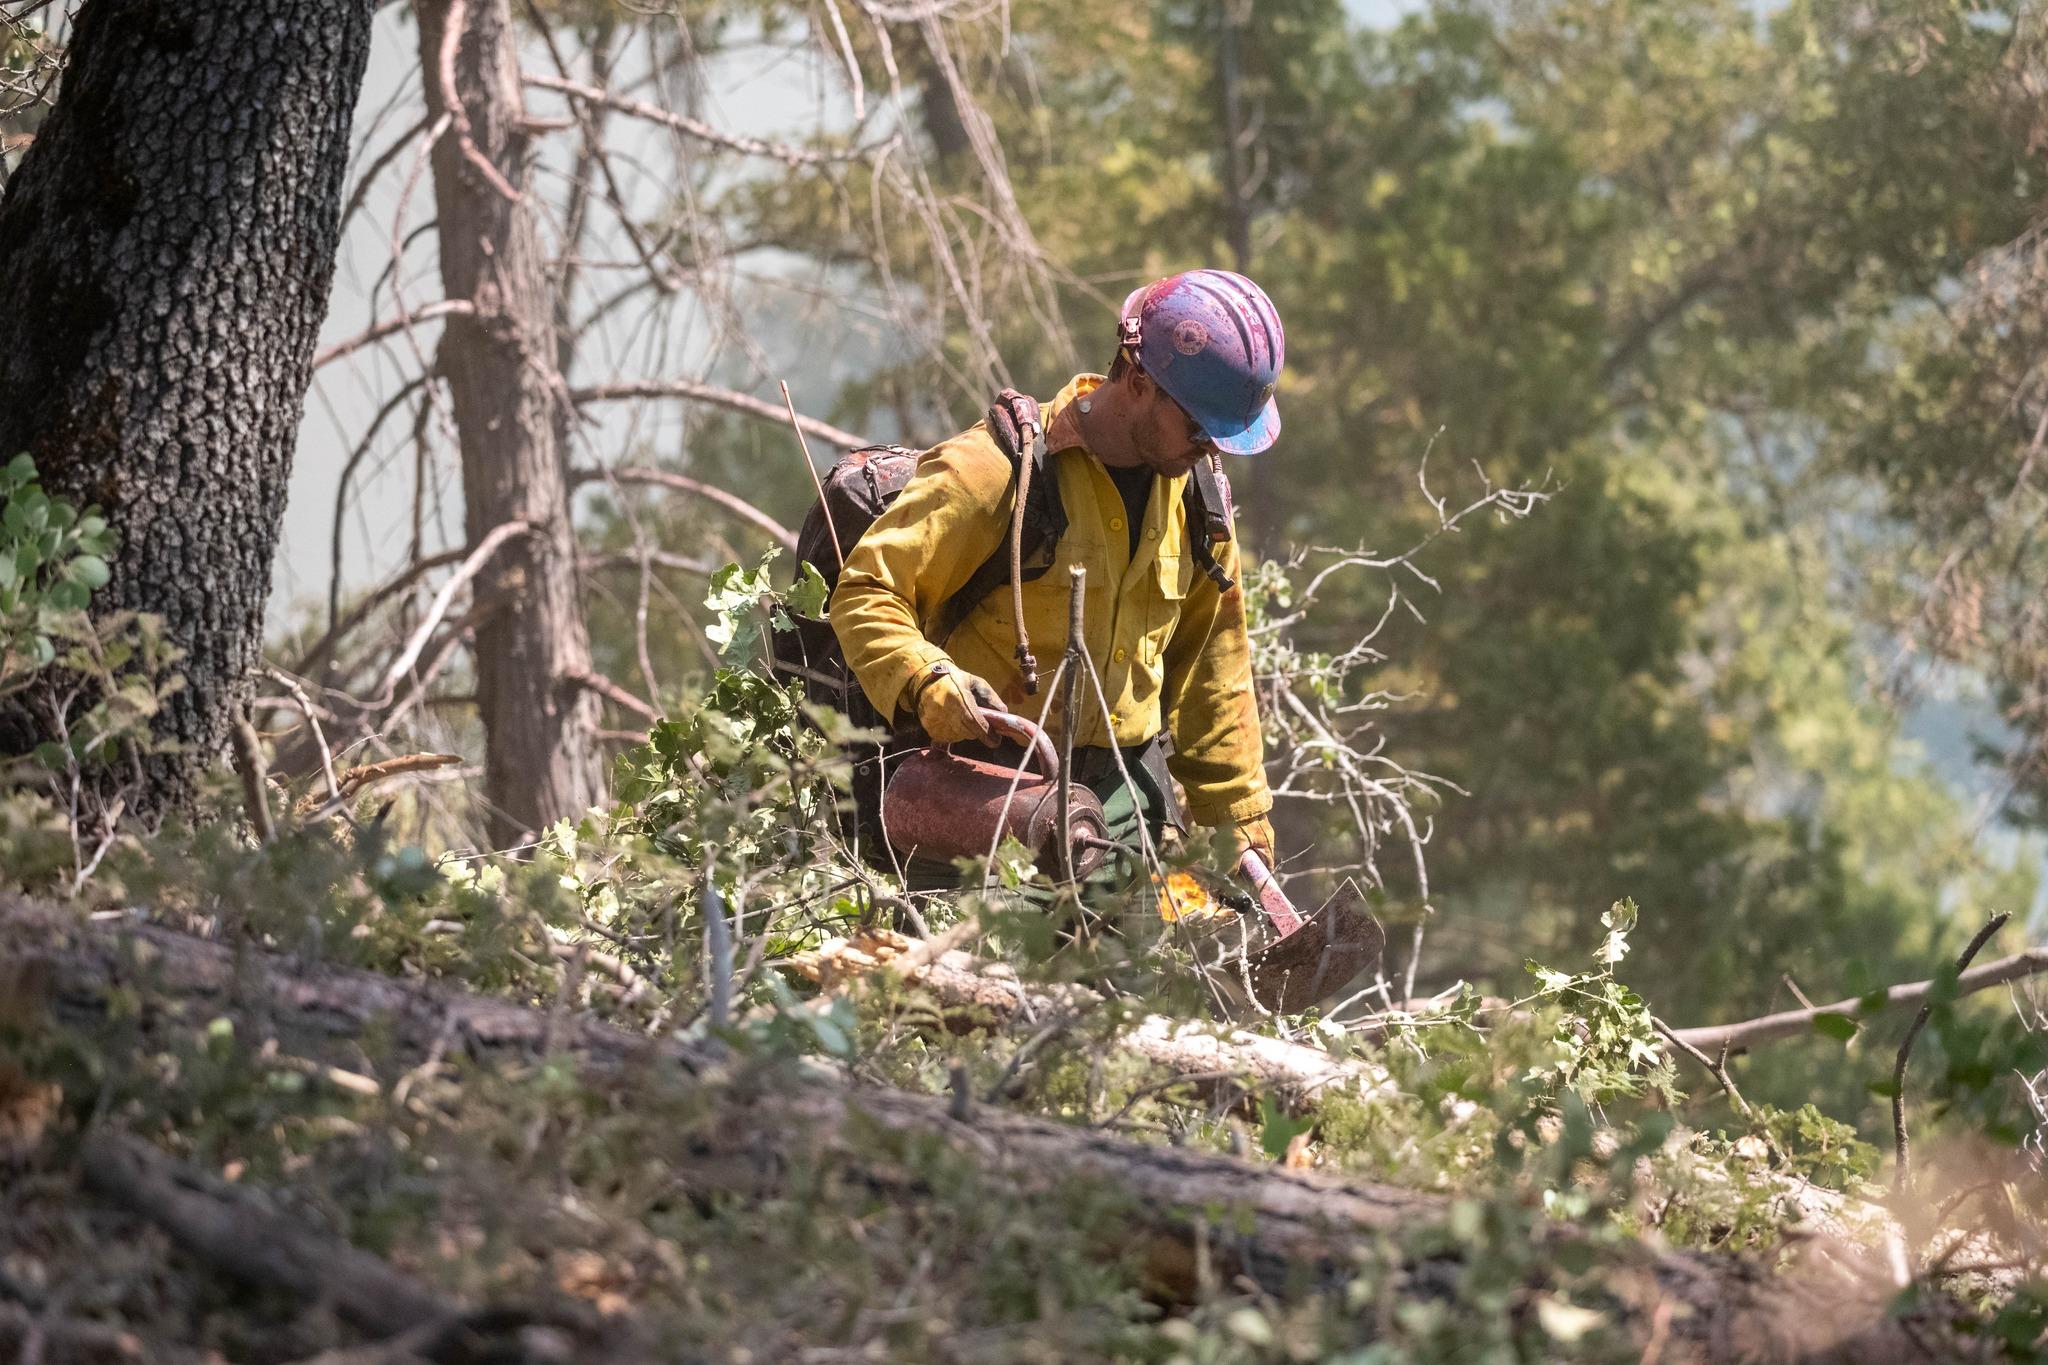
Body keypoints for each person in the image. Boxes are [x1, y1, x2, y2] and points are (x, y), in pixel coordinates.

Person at [828, 269, 1283, 878]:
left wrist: (1239, 828)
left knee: (1140, 976)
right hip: (988, 797)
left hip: (1127, 806)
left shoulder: (1198, 505)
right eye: (1201, 428)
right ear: (1140, 378)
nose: (1213, 450)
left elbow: (1213, 670)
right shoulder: (997, 474)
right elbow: (866, 591)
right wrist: (931, 683)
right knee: (982, 974)